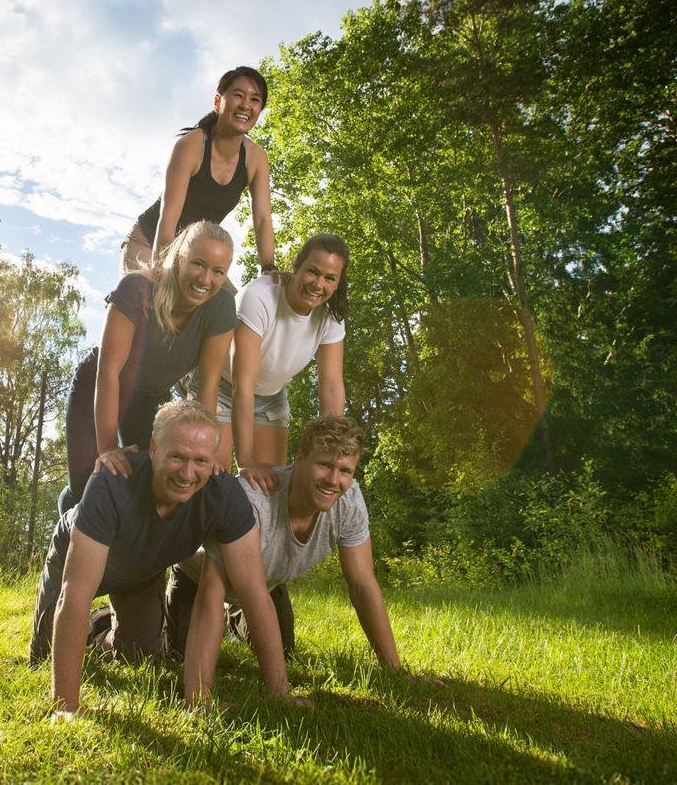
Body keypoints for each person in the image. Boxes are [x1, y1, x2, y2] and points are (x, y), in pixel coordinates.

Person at [30, 400, 291, 719]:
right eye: (177, 456)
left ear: (214, 462)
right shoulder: (111, 482)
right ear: (154, 449)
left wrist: (280, 692)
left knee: (137, 656)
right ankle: (72, 631)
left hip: (138, 575)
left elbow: (253, 590)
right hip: (76, 560)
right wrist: (67, 706)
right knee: (42, 658)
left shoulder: (224, 496)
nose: (187, 473)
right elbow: (75, 594)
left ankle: (99, 627)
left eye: (201, 461)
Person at [167, 415, 439, 706]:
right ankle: (124, 616)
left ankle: (235, 619)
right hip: (198, 579)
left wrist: (395, 671)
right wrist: (200, 698)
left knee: (281, 650)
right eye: (324, 465)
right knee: (166, 655)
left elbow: (362, 585)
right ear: (300, 458)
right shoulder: (254, 500)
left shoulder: (349, 504)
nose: (334, 480)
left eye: (345, 470)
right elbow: (211, 594)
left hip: (265, 585)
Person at [60, 221, 236, 514]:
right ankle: (67, 519)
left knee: (150, 484)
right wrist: (107, 450)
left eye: (218, 271)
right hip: (99, 386)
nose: (206, 279)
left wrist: (209, 449)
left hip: (149, 398)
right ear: (180, 258)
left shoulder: (221, 306)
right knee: (90, 484)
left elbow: (207, 384)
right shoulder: (137, 289)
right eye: (198, 264)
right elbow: (109, 373)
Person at [219, 233, 350, 490]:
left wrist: (329, 453)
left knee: (270, 489)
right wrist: (245, 461)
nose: (318, 284)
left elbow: (332, 387)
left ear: (337, 283)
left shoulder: (332, 317)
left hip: (270, 397)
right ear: (296, 266)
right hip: (222, 389)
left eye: (330, 278)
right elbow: (242, 383)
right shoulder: (259, 296)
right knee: (213, 482)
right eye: (313, 271)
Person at [121, 66, 278, 277]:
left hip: (193, 255)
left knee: (227, 306)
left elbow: (262, 219)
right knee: (150, 302)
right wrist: (159, 271)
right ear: (217, 102)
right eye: (238, 96)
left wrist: (268, 269)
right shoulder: (191, 145)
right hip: (150, 242)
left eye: (255, 100)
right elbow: (169, 214)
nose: (246, 105)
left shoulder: (256, 158)